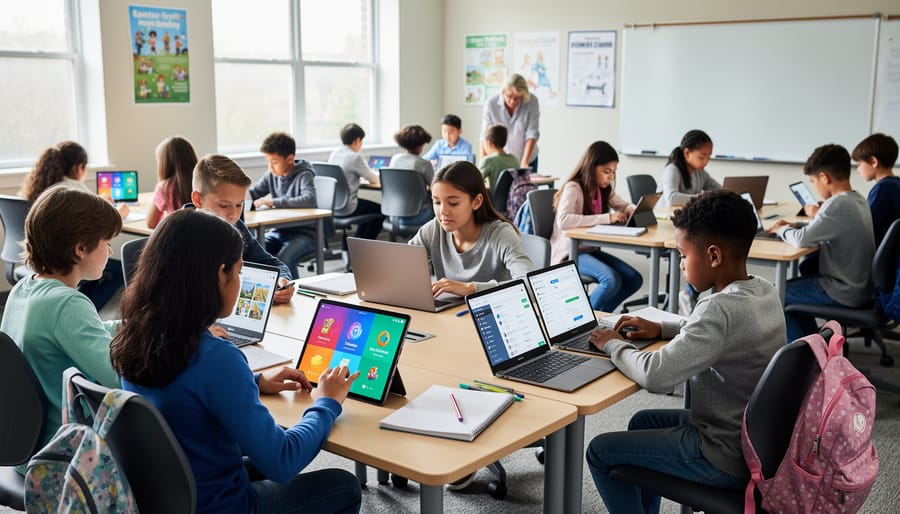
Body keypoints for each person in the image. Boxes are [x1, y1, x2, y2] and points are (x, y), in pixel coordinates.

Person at [109, 209, 362, 514]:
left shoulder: (136, 337)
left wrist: (255, 382)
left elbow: (184, 393)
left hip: (173, 492)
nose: (240, 282)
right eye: (239, 272)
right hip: (224, 506)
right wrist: (326, 403)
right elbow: (282, 461)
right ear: (219, 274)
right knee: (342, 485)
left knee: (253, 460)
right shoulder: (217, 358)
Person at [585, 190, 786, 514]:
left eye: (682, 254)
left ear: (713, 256)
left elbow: (656, 374)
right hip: (753, 443)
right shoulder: (764, 290)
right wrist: (662, 328)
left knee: (599, 451)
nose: (680, 264)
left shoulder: (717, 308)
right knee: (641, 422)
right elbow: (726, 333)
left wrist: (612, 343)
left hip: (721, 455)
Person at [0, 187, 122, 448]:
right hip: (68, 450)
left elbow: (87, 331)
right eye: (107, 243)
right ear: (80, 248)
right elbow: (118, 376)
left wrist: (140, 328)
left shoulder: (24, 288)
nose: (110, 252)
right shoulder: (67, 303)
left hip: (26, 442)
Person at [771, 144, 875, 342]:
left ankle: (807, 359)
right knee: (788, 292)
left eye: (813, 180)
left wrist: (781, 229)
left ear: (824, 178)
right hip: (859, 287)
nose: (815, 186)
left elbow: (801, 240)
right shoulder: (857, 199)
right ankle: (814, 349)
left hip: (844, 290)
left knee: (776, 295)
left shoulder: (837, 204)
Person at [20, 141, 127, 310]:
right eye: (107, 243)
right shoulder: (73, 192)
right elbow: (91, 229)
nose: (110, 249)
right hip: (67, 259)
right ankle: (89, 308)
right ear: (79, 168)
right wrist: (116, 214)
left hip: (51, 255)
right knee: (119, 270)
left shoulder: (47, 190)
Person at [409, 161, 534, 297]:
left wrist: (471, 288)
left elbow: (530, 286)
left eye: (453, 203)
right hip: (448, 314)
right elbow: (404, 270)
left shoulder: (501, 234)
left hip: (491, 312)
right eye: (437, 202)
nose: (443, 211)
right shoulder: (432, 231)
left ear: (476, 202)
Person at [549, 141, 643, 312]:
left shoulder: (603, 189)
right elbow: (564, 220)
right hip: (570, 253)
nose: (611, 177)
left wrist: (633, 209)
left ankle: (600, 316)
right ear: (591, 168)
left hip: (590, 251)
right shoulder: (574, 188)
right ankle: (584, 319)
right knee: (611, 280)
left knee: (634, 279)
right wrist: (607, 218)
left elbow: (623, 205)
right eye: (606, 171)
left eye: (614, 172)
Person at [189, 154, 295, 303]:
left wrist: (282, 281)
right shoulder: (180, 234)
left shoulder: (235, 227)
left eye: (239, 205)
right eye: (224, 205)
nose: (233, 214)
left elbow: (273, 264)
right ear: (198, 199)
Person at [250, 132, 318, 280]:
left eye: (274, 162)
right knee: (253, 251)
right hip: (279, 231)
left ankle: (293, 294)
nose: (270, 167)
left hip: (305, 233)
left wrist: (274, 201)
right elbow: (253, 192)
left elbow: (309, 200)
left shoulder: (304, 174)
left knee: (284, 258)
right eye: (268, 162)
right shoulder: (272, 175)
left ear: (290, 159)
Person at [327, 123, 384, 240]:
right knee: (381, 212)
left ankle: (358, 241)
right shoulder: (354, 157)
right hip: (348, 207)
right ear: (357, 140)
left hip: (334, 205)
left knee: (367, 211)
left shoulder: (334, 154)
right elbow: (373, 179)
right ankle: (364, 246)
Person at [480, 73, 540, 172]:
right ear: (503, 92)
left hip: (527, 159)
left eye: (517, 98)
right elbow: (485, 136)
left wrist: (524, 163)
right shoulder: (491, 104)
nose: (512, 101)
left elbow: (532, 134)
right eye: (509, 96)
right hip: (500, 161)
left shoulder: (531, 101)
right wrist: (482, 162)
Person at [852, 133, 900, 246]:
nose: (858, 170)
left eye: (859, 164)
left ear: (874, 161)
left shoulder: (883, 189)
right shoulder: (895, 184)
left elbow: (865, 228)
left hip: (877, 255)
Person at [657, 129, 720, 208]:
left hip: (686, 216)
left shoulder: (700, 172)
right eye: (702, 157)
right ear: (687, 153)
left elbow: (719, 189)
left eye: (708, 157)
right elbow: (672, 198)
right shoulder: (672, 170)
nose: (706, 162)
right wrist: (701, 197)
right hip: (664, 216)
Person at [389, 124, 436, 227]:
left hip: (394, 215)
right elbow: (435, 186)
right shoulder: (423, 164)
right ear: (420, 145)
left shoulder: (395, 159)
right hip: (421, 215)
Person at [147, 135, 197, 229]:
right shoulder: (202, 182)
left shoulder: (164, 187)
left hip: (175, 237)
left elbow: (151, 223)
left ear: (165, 163)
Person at [479, 124, 520, 189]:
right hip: (513, 198)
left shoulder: (488, 160)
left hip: (494, 198)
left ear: (488, 143)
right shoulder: (514, 159)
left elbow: (475, 181)